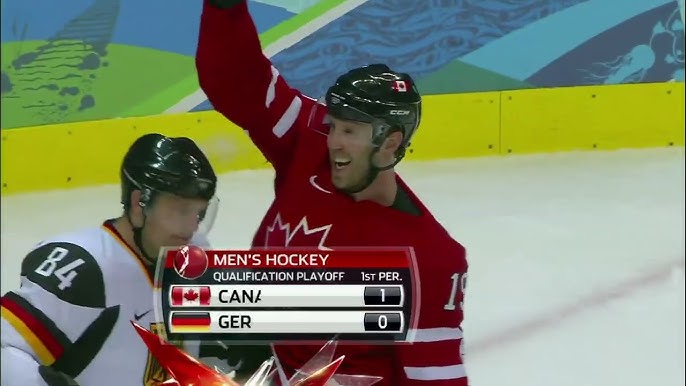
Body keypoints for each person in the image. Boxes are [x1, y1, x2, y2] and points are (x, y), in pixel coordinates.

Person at [196, 0, 470, 385]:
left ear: (390, 142)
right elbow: (241, 84)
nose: (334, 142)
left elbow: (435, 380)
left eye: (350, 131)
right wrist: (226, 10)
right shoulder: (310, 143)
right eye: (334, 125)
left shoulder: (431, 260)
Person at [0, 133, 222, 386]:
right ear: (140, 203)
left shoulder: (193, 259)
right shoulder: (83, 267)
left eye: (200, 213)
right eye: (181, 210)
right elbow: (7, 350)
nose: (191, 226)